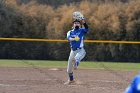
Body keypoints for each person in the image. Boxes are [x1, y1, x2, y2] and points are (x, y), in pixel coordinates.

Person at [64, 19, 89, 85]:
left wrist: (84, 23)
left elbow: (87, 29)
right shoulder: (70, 32)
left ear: (80, 25)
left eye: (78, 23)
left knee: (76, 58)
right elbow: (68, 39)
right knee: (69, 70)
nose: (76, 24)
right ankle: (71, 80)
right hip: (73, 51)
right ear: (73, 25)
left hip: (80, 50)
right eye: (75, 23)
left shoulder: (81, 30)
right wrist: (74, 38)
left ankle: (76, 63)